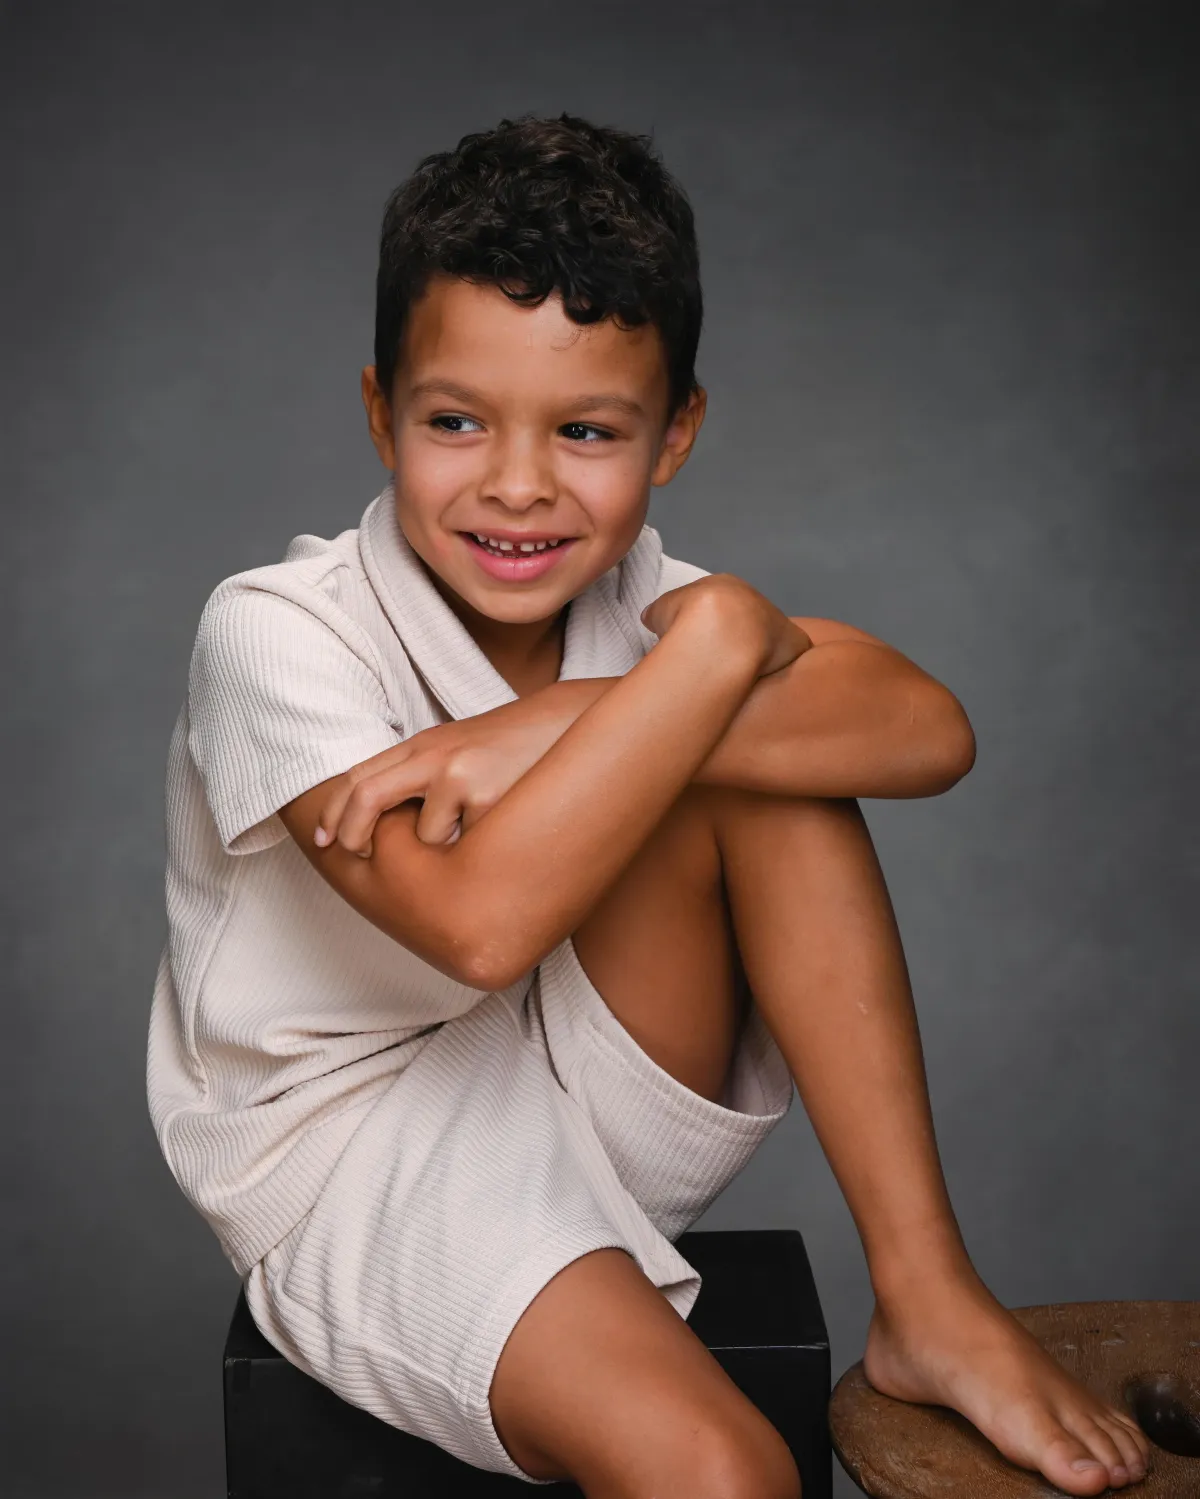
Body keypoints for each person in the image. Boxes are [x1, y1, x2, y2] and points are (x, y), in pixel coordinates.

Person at [148, 113, 1150, 1498]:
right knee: (723, 1470)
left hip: (582, 1084)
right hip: (356, 1142)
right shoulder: (272, 631)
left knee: (764, 768)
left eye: (584, 430)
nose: (516, 483)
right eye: (455, 421)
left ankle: (926, 1293)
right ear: (380, 410)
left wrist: (561, 713)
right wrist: (722, 639)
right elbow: (480, 926)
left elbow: (929, 728)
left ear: (673, 431)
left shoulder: (647, 606)